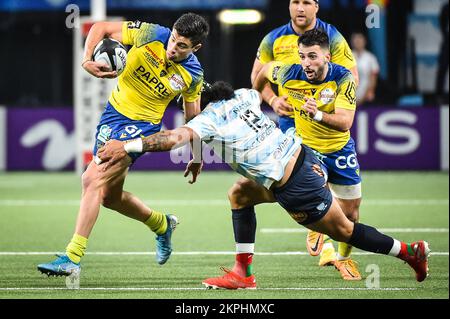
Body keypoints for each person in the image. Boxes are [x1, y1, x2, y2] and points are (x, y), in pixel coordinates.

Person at [96, 81, 430, 289]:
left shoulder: (207, 119)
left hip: (296, 185)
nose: (193, 111)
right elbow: (258, 87)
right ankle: (244, 273)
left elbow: (170, 139)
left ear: (207, 105)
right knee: (239, 193)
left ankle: (409, 252)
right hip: (302, 156)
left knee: (344, 230)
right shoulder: (245, 96)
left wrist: (127, 146)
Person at [37, 13, 209, 276]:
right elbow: (101, 27)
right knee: (109, 197)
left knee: (92, 178)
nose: (173, 48)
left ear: (195, 48)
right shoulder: (150, 34)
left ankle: (73, 257)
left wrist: (197, 155)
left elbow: (193, 118)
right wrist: (86, 61)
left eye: (182, 46)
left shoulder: (193, 74)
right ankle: (162, 225)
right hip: (112, 115)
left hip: (141, 128)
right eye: (174, 39)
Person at [241, 0, 360, 271]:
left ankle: (330, 241)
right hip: (290, 121)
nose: (300, 8)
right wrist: (272, 101)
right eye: (295, 2)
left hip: (325, 118)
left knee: (349, 208)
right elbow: (257, 77)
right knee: (309, 177)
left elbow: (352, 77)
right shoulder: (273, 39)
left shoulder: (332, 38)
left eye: (306, 2)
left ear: (316, 7)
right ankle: (321, 236)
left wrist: (329, 105)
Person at [351, 32, 379, 105]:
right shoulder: (348, 55)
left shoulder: (370, 57)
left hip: (365, 94)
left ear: (364, 41)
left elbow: (373, 77)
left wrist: (370, 91)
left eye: (360, 40)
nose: (358, 42)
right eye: (356, 40)